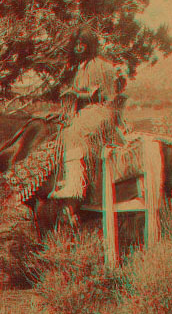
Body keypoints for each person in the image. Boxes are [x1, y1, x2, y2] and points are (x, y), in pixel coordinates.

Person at [48, 27, 128, 205]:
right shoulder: (80, 68)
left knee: (73, 133)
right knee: (62, 130)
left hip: (101, 110)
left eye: (82, 44)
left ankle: (75, 185)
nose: (79, 48)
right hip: (87, 111)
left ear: (89, 45)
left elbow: (101, 95)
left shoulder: (100, 65)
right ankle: (72, 175)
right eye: (76, 44)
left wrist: (75, 94)